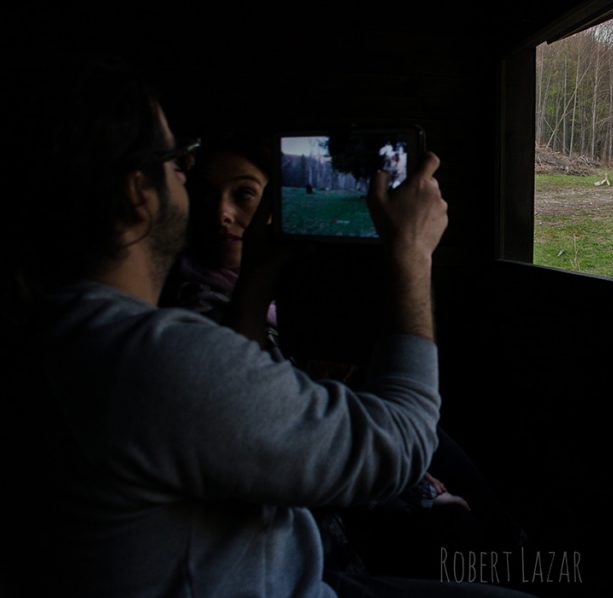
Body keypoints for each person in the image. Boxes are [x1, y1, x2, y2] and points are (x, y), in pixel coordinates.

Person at [7, 57, 529, 597]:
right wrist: (413, 255)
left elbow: (227, 404)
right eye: (179, 164)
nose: (214, 213)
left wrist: (255, 274)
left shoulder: (58, 333)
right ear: (138, 193)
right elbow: (398, 446)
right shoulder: (153, 356)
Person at [162, 134, 524, 580]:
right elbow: (380, 450)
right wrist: (411, 254)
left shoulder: (244, 292)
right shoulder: (192, 309)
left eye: (244, 195)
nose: (222, 213)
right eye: (202, 196)